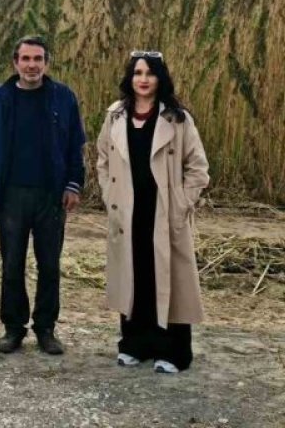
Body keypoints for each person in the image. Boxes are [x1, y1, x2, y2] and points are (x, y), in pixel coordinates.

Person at [95, 51, 210, 373]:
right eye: (137, 73)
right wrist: (109, 194)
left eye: (149, 73)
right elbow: (102, 159)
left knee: (169, 281)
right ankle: (133, 345)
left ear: (161, 78)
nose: (143, 79)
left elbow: (198, 169)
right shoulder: (115, 116)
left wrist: (180, 204)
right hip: (127, 212)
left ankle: (173, 352)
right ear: (129, 78)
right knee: (134, 277)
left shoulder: (177, 118)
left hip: (163, 212)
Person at [0, 35, 86, 355]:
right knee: (12, 264)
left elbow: (75, 146)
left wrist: (73, 184)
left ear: (46, 63)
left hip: (51, 196)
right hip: (10, 195)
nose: (31, 65)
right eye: (25, 59)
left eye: (38, 59)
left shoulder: (63, 98)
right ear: (15, 63)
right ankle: (13, 328)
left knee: (49, 264)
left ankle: (46, 328)